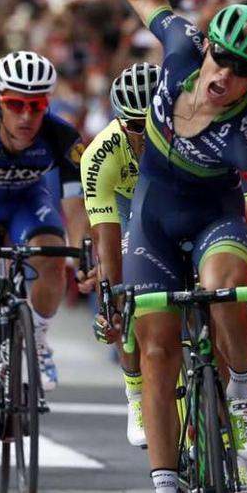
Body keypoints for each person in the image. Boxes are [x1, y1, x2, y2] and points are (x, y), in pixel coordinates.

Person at [120, 1, 247, 493]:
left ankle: (240, 391)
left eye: (243, 70)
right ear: (207, 47)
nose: (225, 74)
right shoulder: (181, 45)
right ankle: (164, 483)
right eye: (222, 57)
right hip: (152, 215)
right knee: (156, 349)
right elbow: (149, 5)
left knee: (224, 289)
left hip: (214, 221)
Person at [0, 50, 87, 472]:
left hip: (30, 203)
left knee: (51, 256)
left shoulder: (62, 136)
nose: (27, 116)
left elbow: (76, 204)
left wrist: (83, 252)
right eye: (16, 104)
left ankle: (40, 338)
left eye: (37, 105)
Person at [83, 62, 160, 449]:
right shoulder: (101, 153)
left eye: (153, 123)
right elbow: (106, 244)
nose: (145, 135)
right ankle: (135, 394)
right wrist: (108, 302)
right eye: (134, 125)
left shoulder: (188, 136)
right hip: (127, 206)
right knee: (124, 289)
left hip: (173, 199)